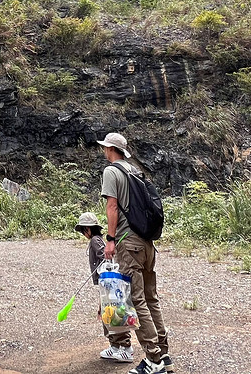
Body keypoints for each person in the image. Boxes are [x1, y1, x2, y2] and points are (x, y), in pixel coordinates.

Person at [98, 132, 172, 374]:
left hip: (129, 244)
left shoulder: (112, 171)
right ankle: (164, 353)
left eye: (105, 148)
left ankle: (153, 360)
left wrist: (110, 239)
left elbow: (112, 207)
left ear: (110, 149)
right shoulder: (134, 170)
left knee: (136, 301)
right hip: (147, 243)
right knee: (151, 299)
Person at [75, 211, 133, 363]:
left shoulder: (95, 240)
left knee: (113, 313)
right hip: (105, 283)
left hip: (108, 283)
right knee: (107, 315)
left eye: (83, 230)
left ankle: (126, 348)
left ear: (87, 229)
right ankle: (114, 346)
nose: (83, 233)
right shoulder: (97, 239)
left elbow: (106, 258)